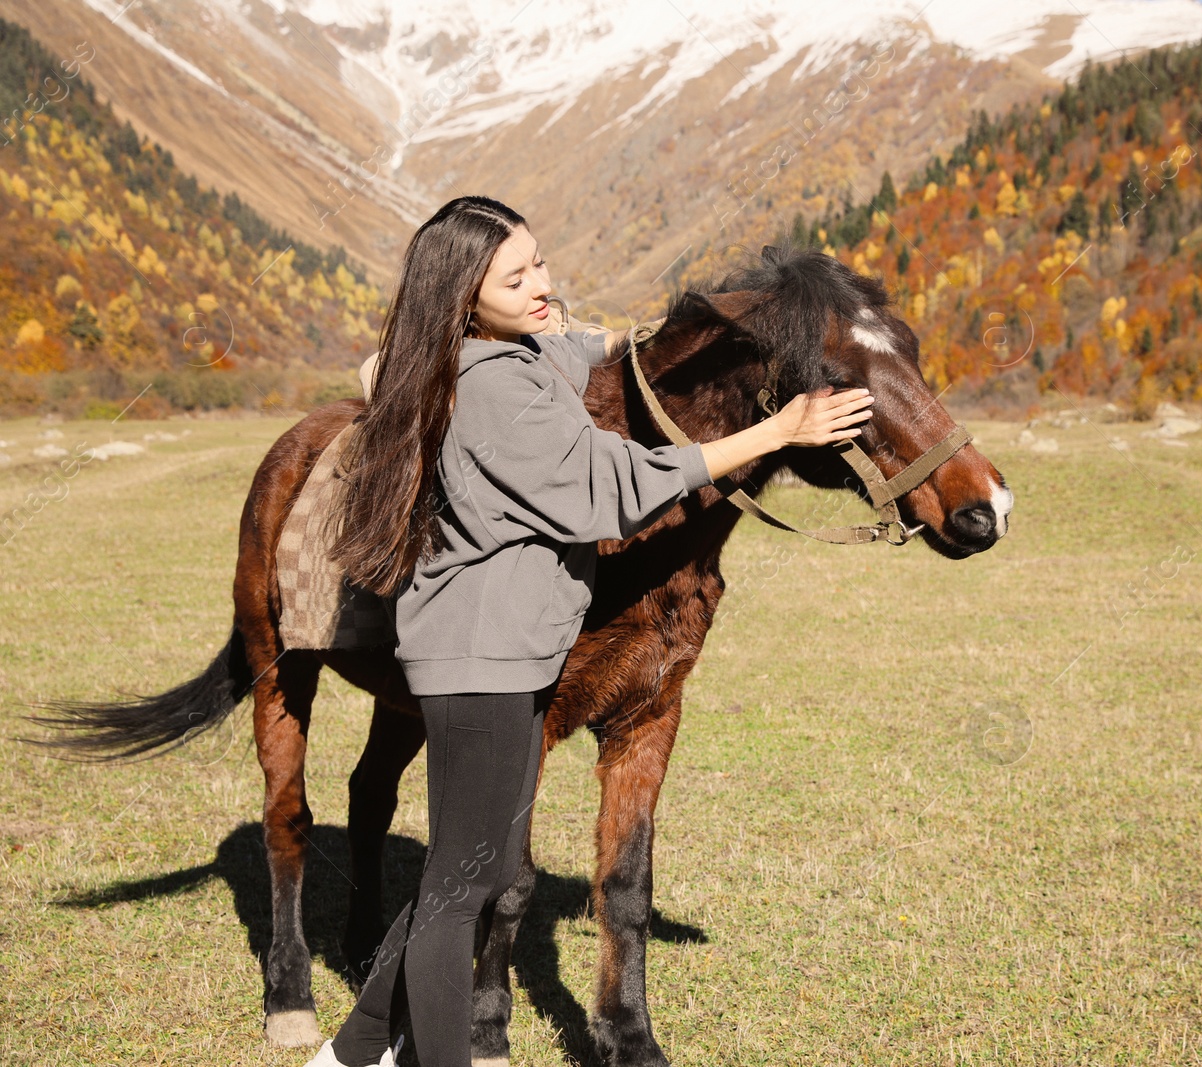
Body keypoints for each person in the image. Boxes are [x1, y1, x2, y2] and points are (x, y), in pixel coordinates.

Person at [306, 195, 874, 1067]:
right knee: (460, 890)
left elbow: (564, 347)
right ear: (463, 296)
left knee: (475, 870)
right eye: (516, 277)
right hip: (480, 661)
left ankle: (353, 1052)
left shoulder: (506, 353)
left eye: (539, 262)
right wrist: (781, 429)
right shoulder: (491, 390)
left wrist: (633, 336)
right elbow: (618, 484)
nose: (543, 286)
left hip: (501, 652)